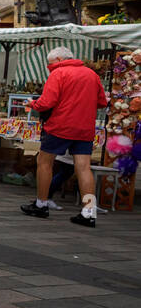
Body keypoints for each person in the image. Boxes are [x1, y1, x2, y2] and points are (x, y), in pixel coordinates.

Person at [22, 46, 108, 228]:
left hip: (60, 126)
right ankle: (89, 212)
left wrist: (33, 104)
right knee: (84, 168)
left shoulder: (59, 73)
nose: (50, 68)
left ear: (59, 60)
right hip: (85, 128)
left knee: (45, 162)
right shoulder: (92, 75)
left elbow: (47, 102)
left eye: (50, 65)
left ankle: (41, 204)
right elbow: (102, 102)